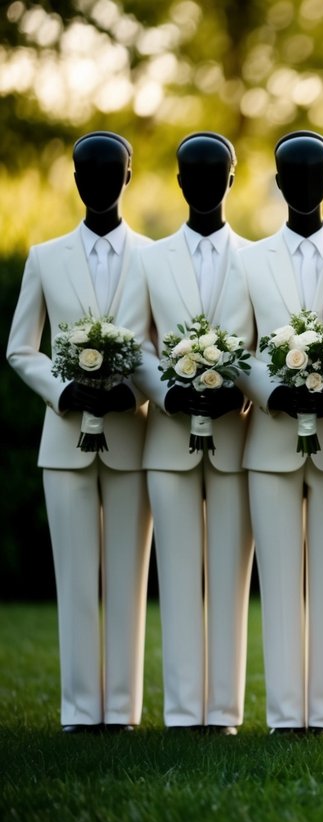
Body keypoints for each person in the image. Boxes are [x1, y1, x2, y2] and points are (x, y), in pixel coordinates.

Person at [7, 132, 153, 733]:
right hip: (64, 443)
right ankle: (78, 710)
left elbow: (165, 350)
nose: (98, 178)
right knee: (74, 578)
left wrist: (136, 391)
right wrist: (62, 391)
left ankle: (120, 709)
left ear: (128, 174)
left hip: (132, 438)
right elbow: (20, 347)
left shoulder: (155, 257)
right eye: (86, 170)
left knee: (127, 579)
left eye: (110, 168)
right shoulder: (44, 257)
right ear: (73, 177)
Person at [217, 130, 323, 736]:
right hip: (269, 441)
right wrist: (269, 392)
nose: (302, 184)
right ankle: (283, 716)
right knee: (275, 580)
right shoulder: (246, 262)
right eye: (290, 176)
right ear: (277, 183)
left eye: (314, 174)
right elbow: (235, 347)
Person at [118, 132, 252, 735]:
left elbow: (263, 344)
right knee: (174, 577)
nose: (202, 182)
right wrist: (165, 391)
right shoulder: (146, 260)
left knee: (230, 578)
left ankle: (223, 711)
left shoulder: (257, 259)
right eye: (190, 173)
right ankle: (180, 710)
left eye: (215, 172)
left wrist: (239, 391)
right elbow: (135, 341)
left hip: (236, 439)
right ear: (178, 182)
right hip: (168, 440)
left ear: (231, 180)